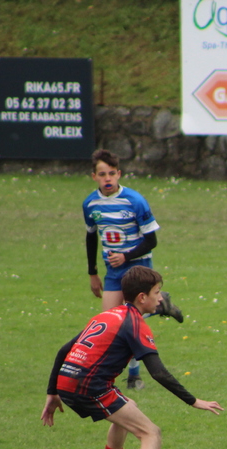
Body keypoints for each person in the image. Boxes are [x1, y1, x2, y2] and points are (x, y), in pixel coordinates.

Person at [41, 266, 222, 449]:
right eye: (157, 292)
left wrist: (53, 392)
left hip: (68, 381)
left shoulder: (108, 315)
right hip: (89, 385)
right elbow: (158, 373)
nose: (161, 298)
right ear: (142, 297)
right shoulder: (134, 324)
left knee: (128, 407)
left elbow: (64, 350)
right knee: (150, 432)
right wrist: (194, 401)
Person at [84, 149, 184, 390]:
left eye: (111, 173)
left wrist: (126, 256)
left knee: (129, 322)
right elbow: (91, 237)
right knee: (109, 323)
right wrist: (93, 273)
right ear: (94, 177)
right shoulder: (90, 204)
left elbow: (151, 241)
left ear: (119, 174)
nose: (107, 178)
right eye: (102, 174)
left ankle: (133, 377)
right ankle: (161, 306)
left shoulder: (135, 201)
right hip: (113, 271)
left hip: (138, 268)